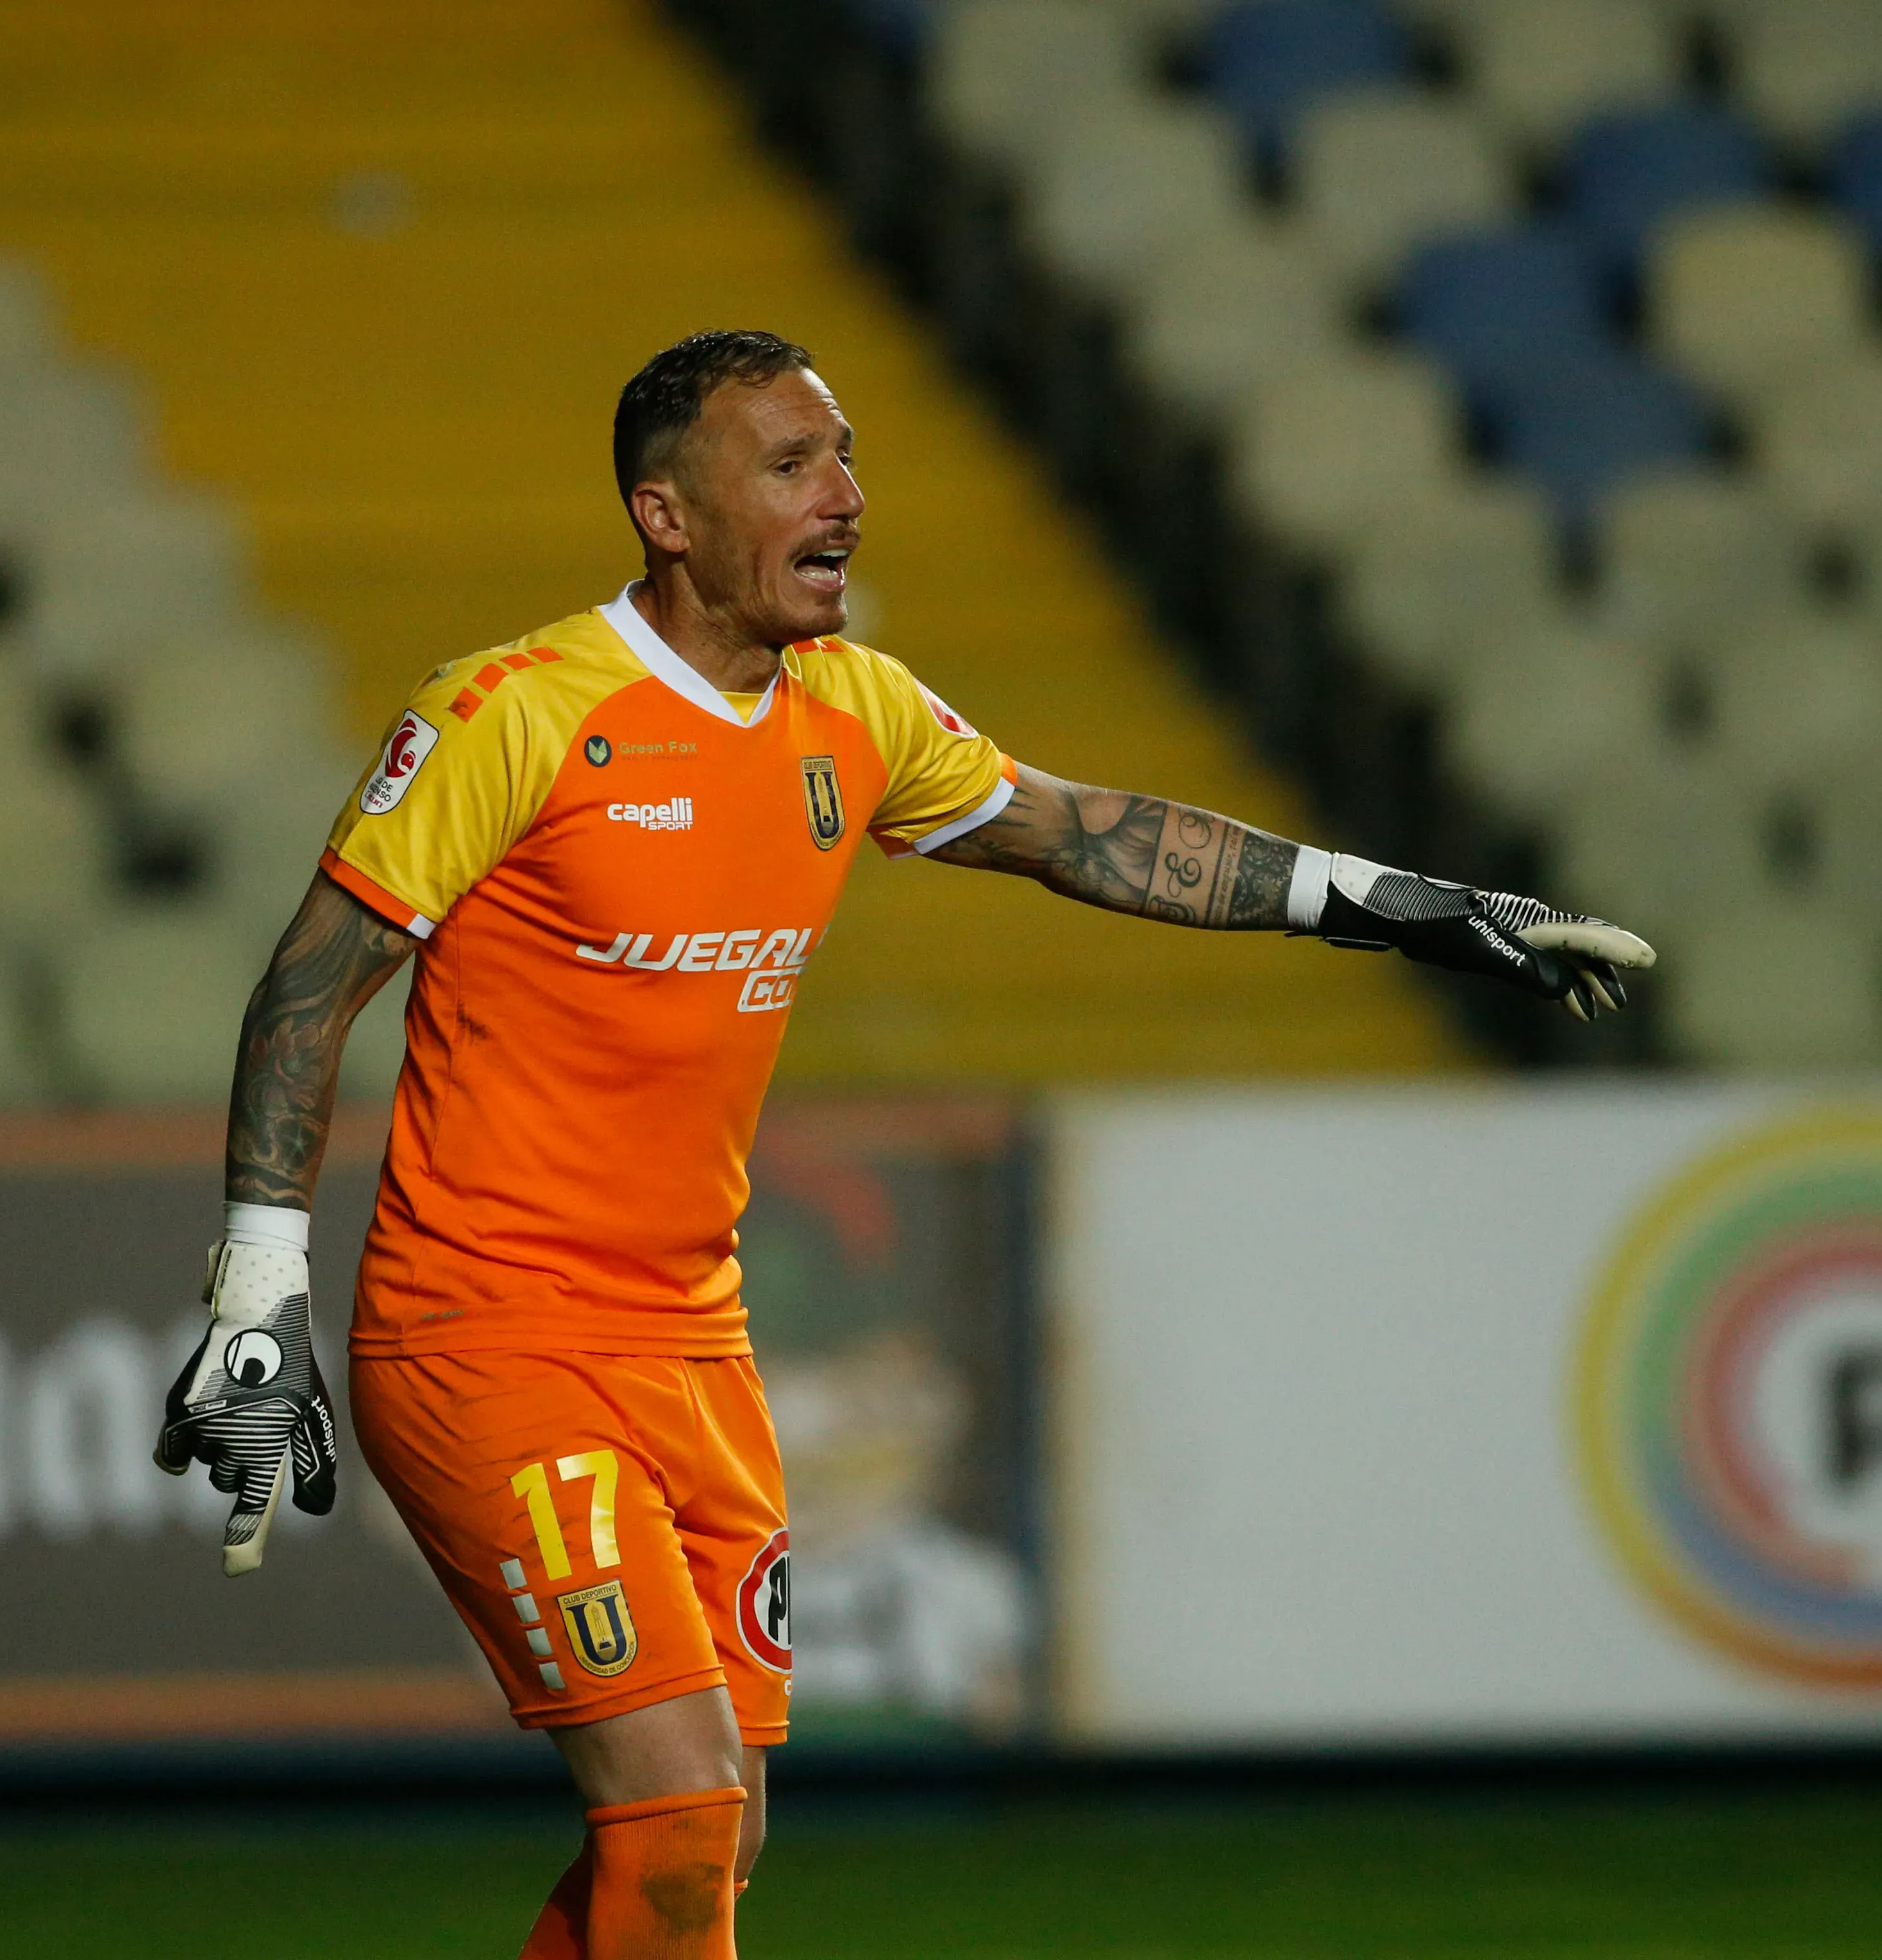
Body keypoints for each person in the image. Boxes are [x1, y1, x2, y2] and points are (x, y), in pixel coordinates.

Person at [155, 330, 1651, 1957]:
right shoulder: (515, 714)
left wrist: (1402, 908)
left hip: (694, 1342)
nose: (848, 498)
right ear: (668, 513)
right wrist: (254, 1305)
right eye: (792, 465)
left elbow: (1090, 836)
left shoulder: (856, 709)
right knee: (675, 1799)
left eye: (848, 457)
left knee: (714, 1845)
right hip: (486, 1337)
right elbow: (310, 990)